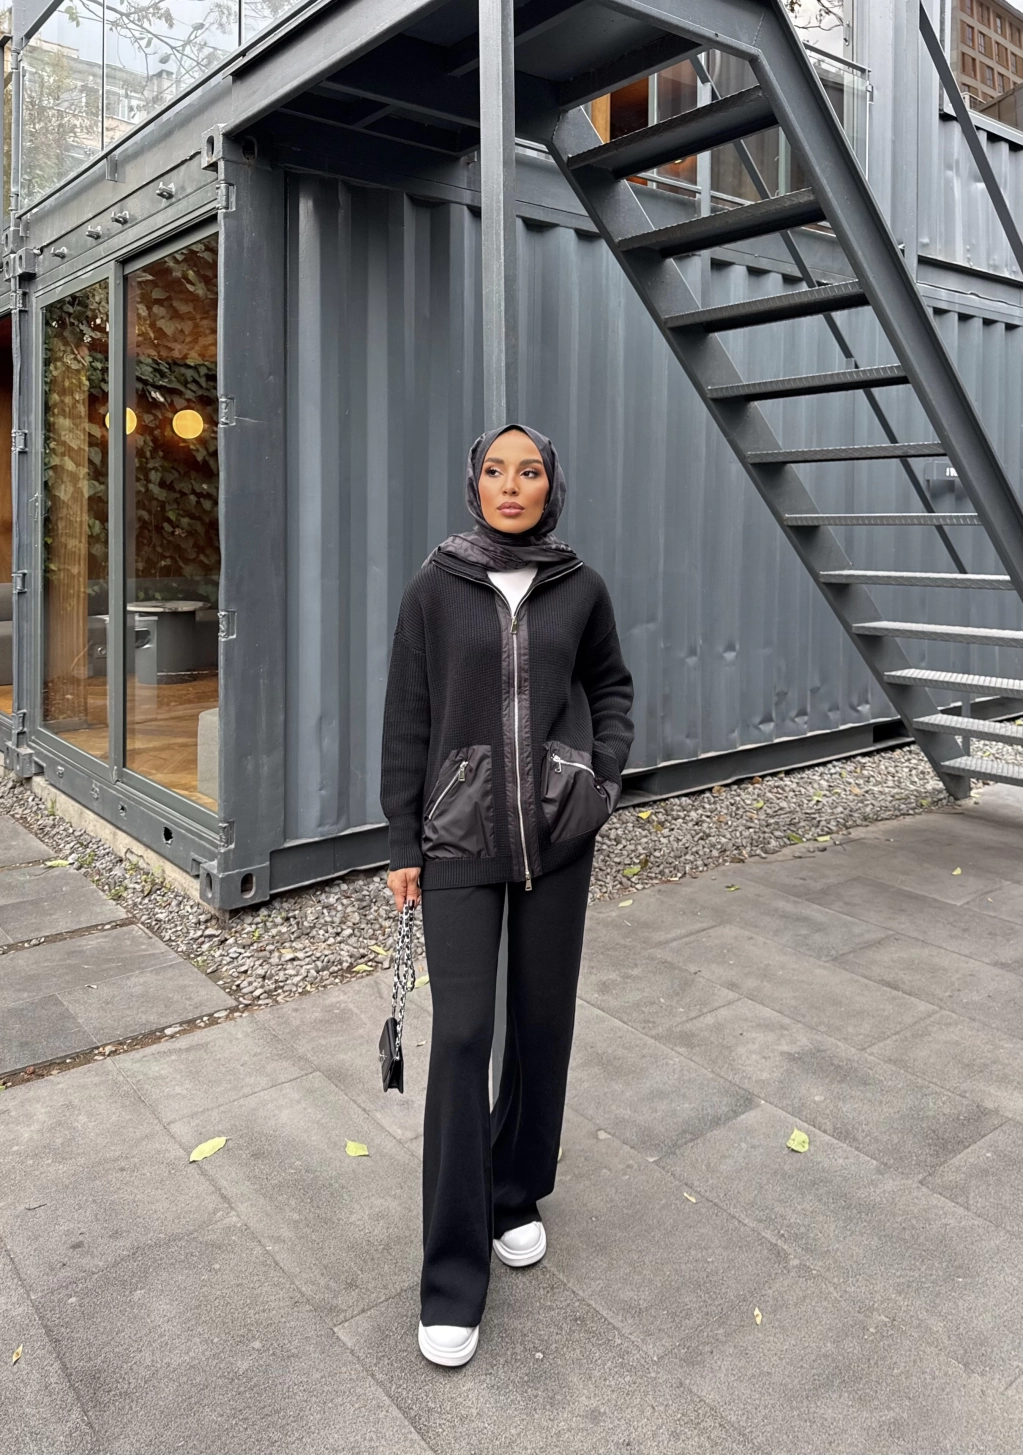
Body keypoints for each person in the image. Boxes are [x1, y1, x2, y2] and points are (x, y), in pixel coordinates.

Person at [380, 423, 634, 1368]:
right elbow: (407, 715)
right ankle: (451, 1275)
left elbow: (612, 686)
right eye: (496, 470)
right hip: (458, 838)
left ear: (550, 486)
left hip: (557, 839)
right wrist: (401, 837)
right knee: (461, 1035)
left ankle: (513, 1191)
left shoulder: (581, 586)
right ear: (475, 484)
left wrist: (599, 776)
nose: (511, 484)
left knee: (539, 1023)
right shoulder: (435, 586)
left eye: (529, 471)